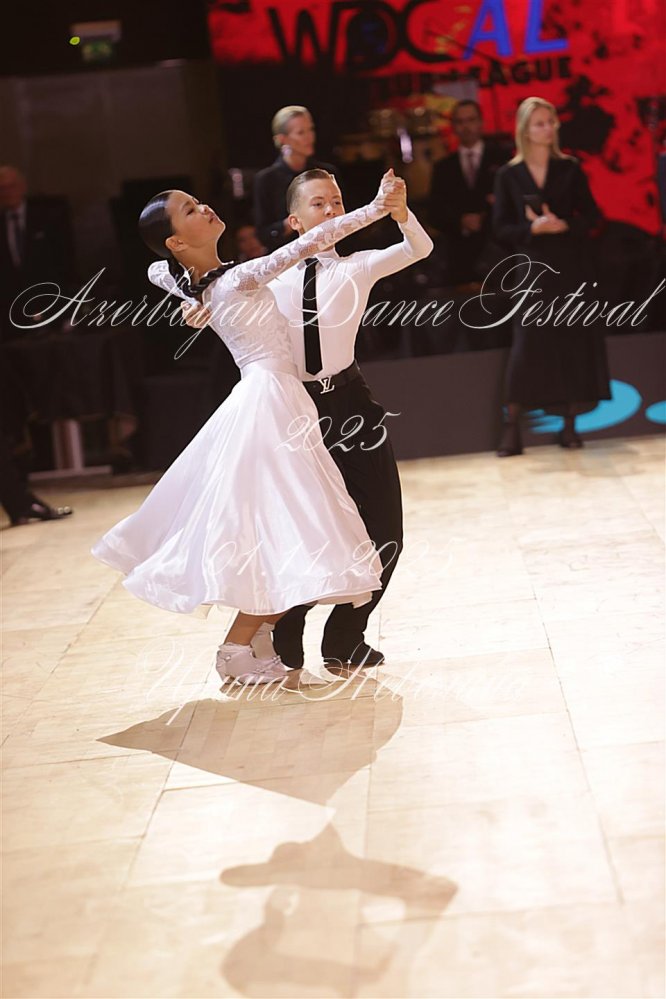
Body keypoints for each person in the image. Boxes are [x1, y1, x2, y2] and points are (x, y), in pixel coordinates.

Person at [91, 177, 403, 686]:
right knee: (301, 526)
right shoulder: (236, 279)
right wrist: (374, 208)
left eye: (198, 201)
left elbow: (155, 269)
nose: (205, 207)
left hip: (272, 400)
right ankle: (238, 647)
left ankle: (256, 640)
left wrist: (188, 289)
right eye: (190, 210)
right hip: (271, 403)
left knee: (281, 526)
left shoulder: (213, 281)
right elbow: (310, 242)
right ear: (176, 239)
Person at [185, 169, 433, 671]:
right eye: (319, 204)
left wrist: (400, 211)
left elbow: (418, 248)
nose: (332, 211)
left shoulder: (358, 265)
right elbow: (219, 291)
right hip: (294, 410)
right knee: (303, 529)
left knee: (385, 527)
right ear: (295, 221)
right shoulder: (266, 276)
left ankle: (346, 637)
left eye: (337, 202)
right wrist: (200, 304)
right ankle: (286, 636)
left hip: (352, 403)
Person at [492, 96, 611, 457]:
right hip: (531, 271)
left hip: (570, 268)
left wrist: (565, 224)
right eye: (540, 123)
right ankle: (512, 427)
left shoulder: (570, 168)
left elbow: (592, 216)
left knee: (571, 343)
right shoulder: (508, 175)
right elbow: (500, 228)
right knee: (527, 347)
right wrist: (533, 230)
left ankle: (570, 425)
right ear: (525, 129)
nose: (548, 129)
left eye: (551, 122)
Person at [429, 101, 509, 288]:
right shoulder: (443, 168)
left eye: (471, 120)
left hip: (501, 254)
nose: (466, 127)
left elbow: (514, 204)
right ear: (453, 127)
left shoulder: (503, 159)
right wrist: (461, 221)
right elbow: (434, 212)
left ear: (481, 122)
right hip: (459, 258)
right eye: (460, 121)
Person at [0, 165, 76, 342]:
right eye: (2, 189)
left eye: (11, 186)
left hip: (52, 301)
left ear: (22, 187)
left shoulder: (48, 217)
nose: (7, 193)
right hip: (15, 313)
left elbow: (65, 262)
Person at [253, 106, 338, 252]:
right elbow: (264, 235)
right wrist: (297, 221)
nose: (310, 137)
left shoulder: (326, 173)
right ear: (282, 139)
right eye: (301, 132)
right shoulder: (267, 180)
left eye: (311, 129)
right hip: (288, 257)